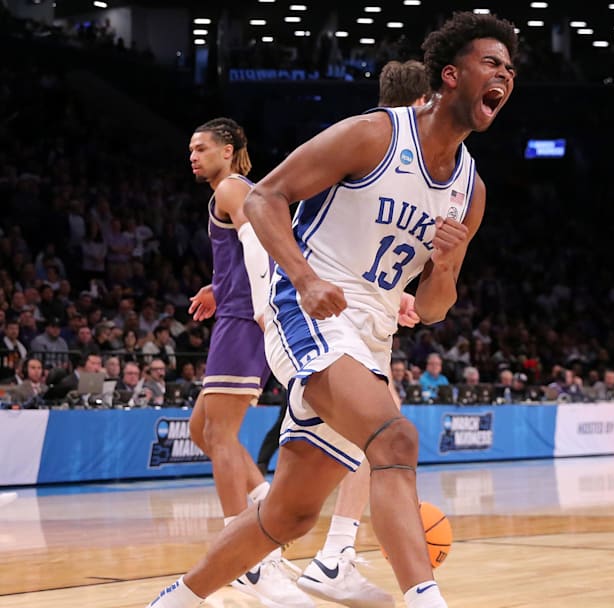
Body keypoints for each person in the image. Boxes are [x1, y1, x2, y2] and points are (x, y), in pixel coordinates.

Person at [147, 12, 518, 608]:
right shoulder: (375, 135)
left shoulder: (469, 189)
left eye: (510, 68)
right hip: (310, 305)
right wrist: (304, 276)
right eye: (491, 62)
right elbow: (267, 196)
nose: (505, 74)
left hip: (370, 333)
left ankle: (176, 600)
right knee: (394, 439)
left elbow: (430, 308)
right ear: (450, 75)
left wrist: (446, 267)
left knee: (289, 516)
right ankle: (427, 601)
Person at [294, 57, 432, 607]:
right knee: (384, 433)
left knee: (306, 481)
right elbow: (274, 208)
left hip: (355, 320)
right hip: (318, 316)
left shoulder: (408, 167)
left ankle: (313, 555)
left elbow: (366, 240)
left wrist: (399, 292)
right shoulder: (367, 142)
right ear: (427, 102)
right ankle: (335, 555)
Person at [184, 117, 312, 607]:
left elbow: (259, 250)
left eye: (201, 148)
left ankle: (243, 558)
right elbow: (265, 250)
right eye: (190, 150)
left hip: (244, 319)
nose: (193, 156)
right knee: (202, 430)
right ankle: (264, 520)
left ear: (229, 149)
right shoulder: (246, 190)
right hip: (237, 309)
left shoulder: (231, 190)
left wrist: (260, 307)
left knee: (218, 435)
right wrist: (219, 286)